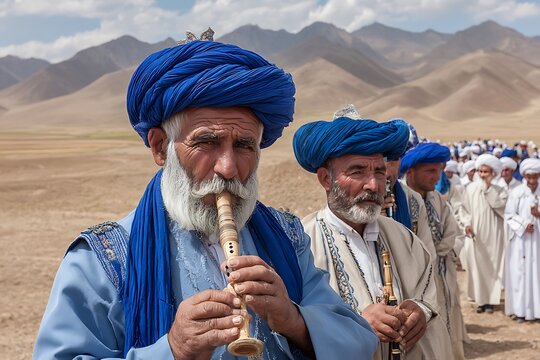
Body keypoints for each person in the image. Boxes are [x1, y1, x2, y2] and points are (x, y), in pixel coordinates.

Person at [33, 34, 379, 359]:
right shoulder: (101, 260)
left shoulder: (287, 238)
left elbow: (358, 340)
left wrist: (293, 319)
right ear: (160, 147)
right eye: (206, 143)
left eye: (245, 145)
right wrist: (172, 349)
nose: (228, 168)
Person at [293, 116, 453, 360]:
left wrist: (420, 309)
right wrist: (357, 322)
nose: (373, 184)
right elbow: (293, 322)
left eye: (379, 172)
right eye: (357, 171)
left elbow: (428, 289)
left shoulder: (402, 237)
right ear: (326, 179)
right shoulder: (302, 243)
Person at [400, 143, 468, 360]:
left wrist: (439, 251)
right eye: (430, 171)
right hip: (416, 278)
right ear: (410, 172)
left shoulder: (437, 198)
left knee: (447, 311)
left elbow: (452, 231)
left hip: (443, 269)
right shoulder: (402, 201)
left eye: (439, 170)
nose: (437, 177)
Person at [460, 154, 508, 314]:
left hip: (494, 236)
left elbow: (503, 209)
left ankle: (491, 302)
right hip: (476, 236)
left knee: (493, 268)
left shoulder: (500, 190)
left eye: (486, 172)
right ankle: (481, 301)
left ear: (493, 173)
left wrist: (489, 191)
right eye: (480, 171)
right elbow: (464, 210)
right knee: (477, 268)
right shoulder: (471, 188)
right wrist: (467, 224)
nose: (482, 175)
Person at [504, 158, 540, 323]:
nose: (532, 180)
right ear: (525, 175)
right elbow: (509, 215)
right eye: (529, 176)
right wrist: (524, 224)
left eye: (535, 176)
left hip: (538, 242)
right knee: (521, 273)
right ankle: (520, 311)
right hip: (522, 241)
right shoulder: (517, 193)